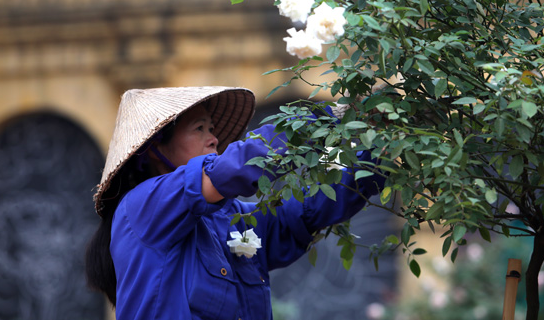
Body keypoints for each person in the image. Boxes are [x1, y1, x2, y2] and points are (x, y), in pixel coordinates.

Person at [85, 86, 385, 320]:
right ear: (155, 148)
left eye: (212, 128)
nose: (214, 138)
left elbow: (307, 210)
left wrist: (378, 146)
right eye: (199, 128)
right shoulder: (142, 205)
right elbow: (235, 168)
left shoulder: (232, 219)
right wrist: (319, 120)